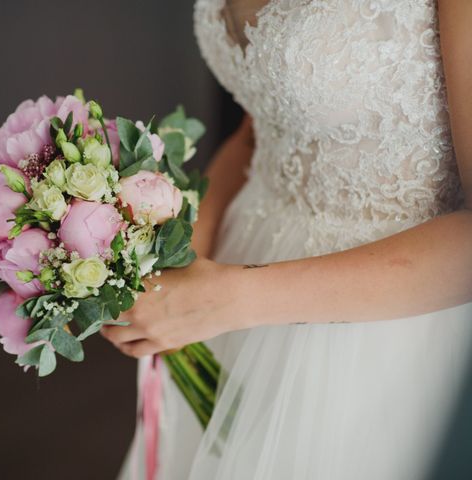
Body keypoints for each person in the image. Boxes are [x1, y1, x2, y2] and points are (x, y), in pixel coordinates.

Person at [105, 1, 472, 478]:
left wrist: (231, 299)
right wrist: (183, 250)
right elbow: (261, 130)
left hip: (381, 327)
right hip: (234, 276)